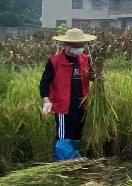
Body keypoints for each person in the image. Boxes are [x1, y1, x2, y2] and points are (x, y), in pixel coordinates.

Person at [39, 27, 96, 160]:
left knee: (77, 134)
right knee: (65, 135)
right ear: (67, 45)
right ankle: (64, 162)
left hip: (81, 104)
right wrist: (46, 100)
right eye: (76, 46)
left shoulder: (84, 59)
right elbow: (44, 83)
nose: (79, 48)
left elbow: (92, 77)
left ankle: (73, 158)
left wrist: (99, 77)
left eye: (81, 45)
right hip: (64, 106)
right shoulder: (55, 61)